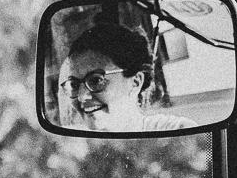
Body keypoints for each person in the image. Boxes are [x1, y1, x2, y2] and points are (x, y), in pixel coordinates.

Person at [57, 22, 195, 133]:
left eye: (96, 80)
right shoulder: (71, 142)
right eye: (74, 85)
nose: (81, 97)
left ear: (135, 82)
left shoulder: (177, 130)